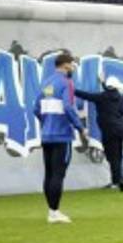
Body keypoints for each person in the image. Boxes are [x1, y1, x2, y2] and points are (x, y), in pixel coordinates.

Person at [33, 53, 85, 222]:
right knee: (58, 174)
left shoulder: (47, 82)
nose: (73, 68)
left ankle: (51, 210)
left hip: (47, 135)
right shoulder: (66, 83)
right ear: (66, 65)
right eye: (72, 65)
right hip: (62, 135)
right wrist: (80, 127)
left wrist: (46, 123)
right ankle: (54, 212)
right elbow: (68, 107)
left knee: (49, 173)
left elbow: (36, 108)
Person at [75, 76, 123, 192]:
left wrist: (72, 89)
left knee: (112, 157)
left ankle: (117, 182)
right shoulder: (119, 97)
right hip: (120, 129)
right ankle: (120, 180)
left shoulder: (102, 97)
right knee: (118, 156)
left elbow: (86, 95)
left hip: (108, 130)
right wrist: (103, 82)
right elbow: (122, 110)